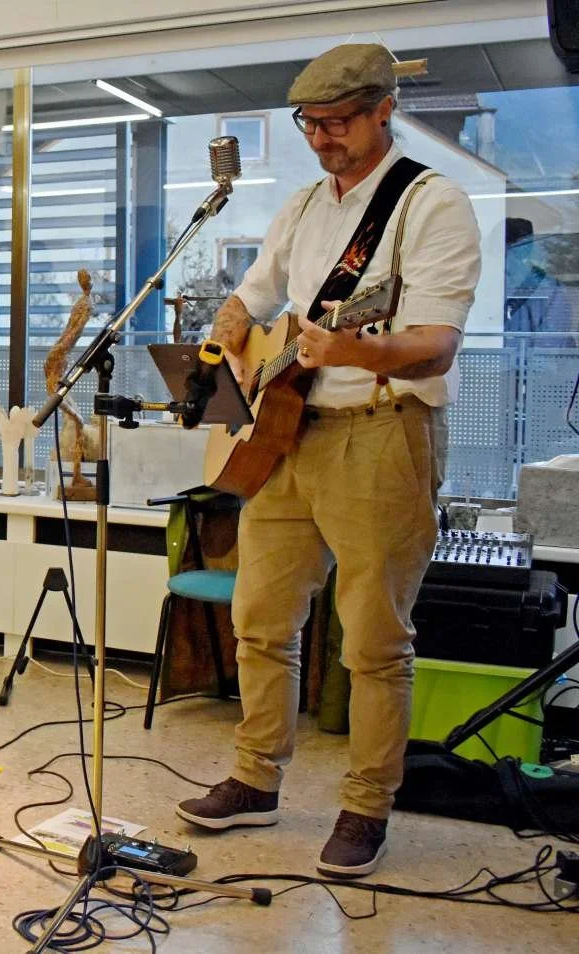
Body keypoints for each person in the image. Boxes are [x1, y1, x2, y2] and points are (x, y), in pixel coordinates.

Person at [174, 44, 481, 877]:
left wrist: (354, 348)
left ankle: (366, 806)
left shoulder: (431, 204)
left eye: (339, 123)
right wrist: (231, 339)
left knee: (374, 640)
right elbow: (255, 292)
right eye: (309, 124)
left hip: (381, 430)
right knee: (260, 620)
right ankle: (255, 777)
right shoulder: (305, 205)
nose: (321, 140)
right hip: (286, 434)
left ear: (385, 110)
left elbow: (435, 344)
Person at [503, 217, 576, 350]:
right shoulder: (549, 286)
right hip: (528, 358)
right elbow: (552, 339)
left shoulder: (546, 286)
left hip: (508, 358)